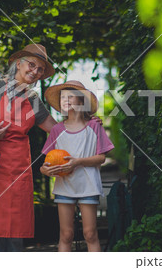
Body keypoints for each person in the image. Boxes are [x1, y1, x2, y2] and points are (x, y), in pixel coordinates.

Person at [0, 43, 58, 252]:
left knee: (16, 233)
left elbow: (55, 130)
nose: (35, 71)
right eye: (32, 65)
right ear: (18, 63)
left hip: (17, 168)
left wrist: (83, 122)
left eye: (40, 69)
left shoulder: (33, 99)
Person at [40, 80, 114, 252]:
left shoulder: (94, 126)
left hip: (88, 185)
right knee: (66, 235)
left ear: (82, 102)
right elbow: (46, 163)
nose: (65, 100)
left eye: (70, 96)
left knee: (90, 234)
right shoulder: (57, 130)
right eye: (62, 97)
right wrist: (45, 170)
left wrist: (78, 162)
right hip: (64, 186)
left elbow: (101, 158)